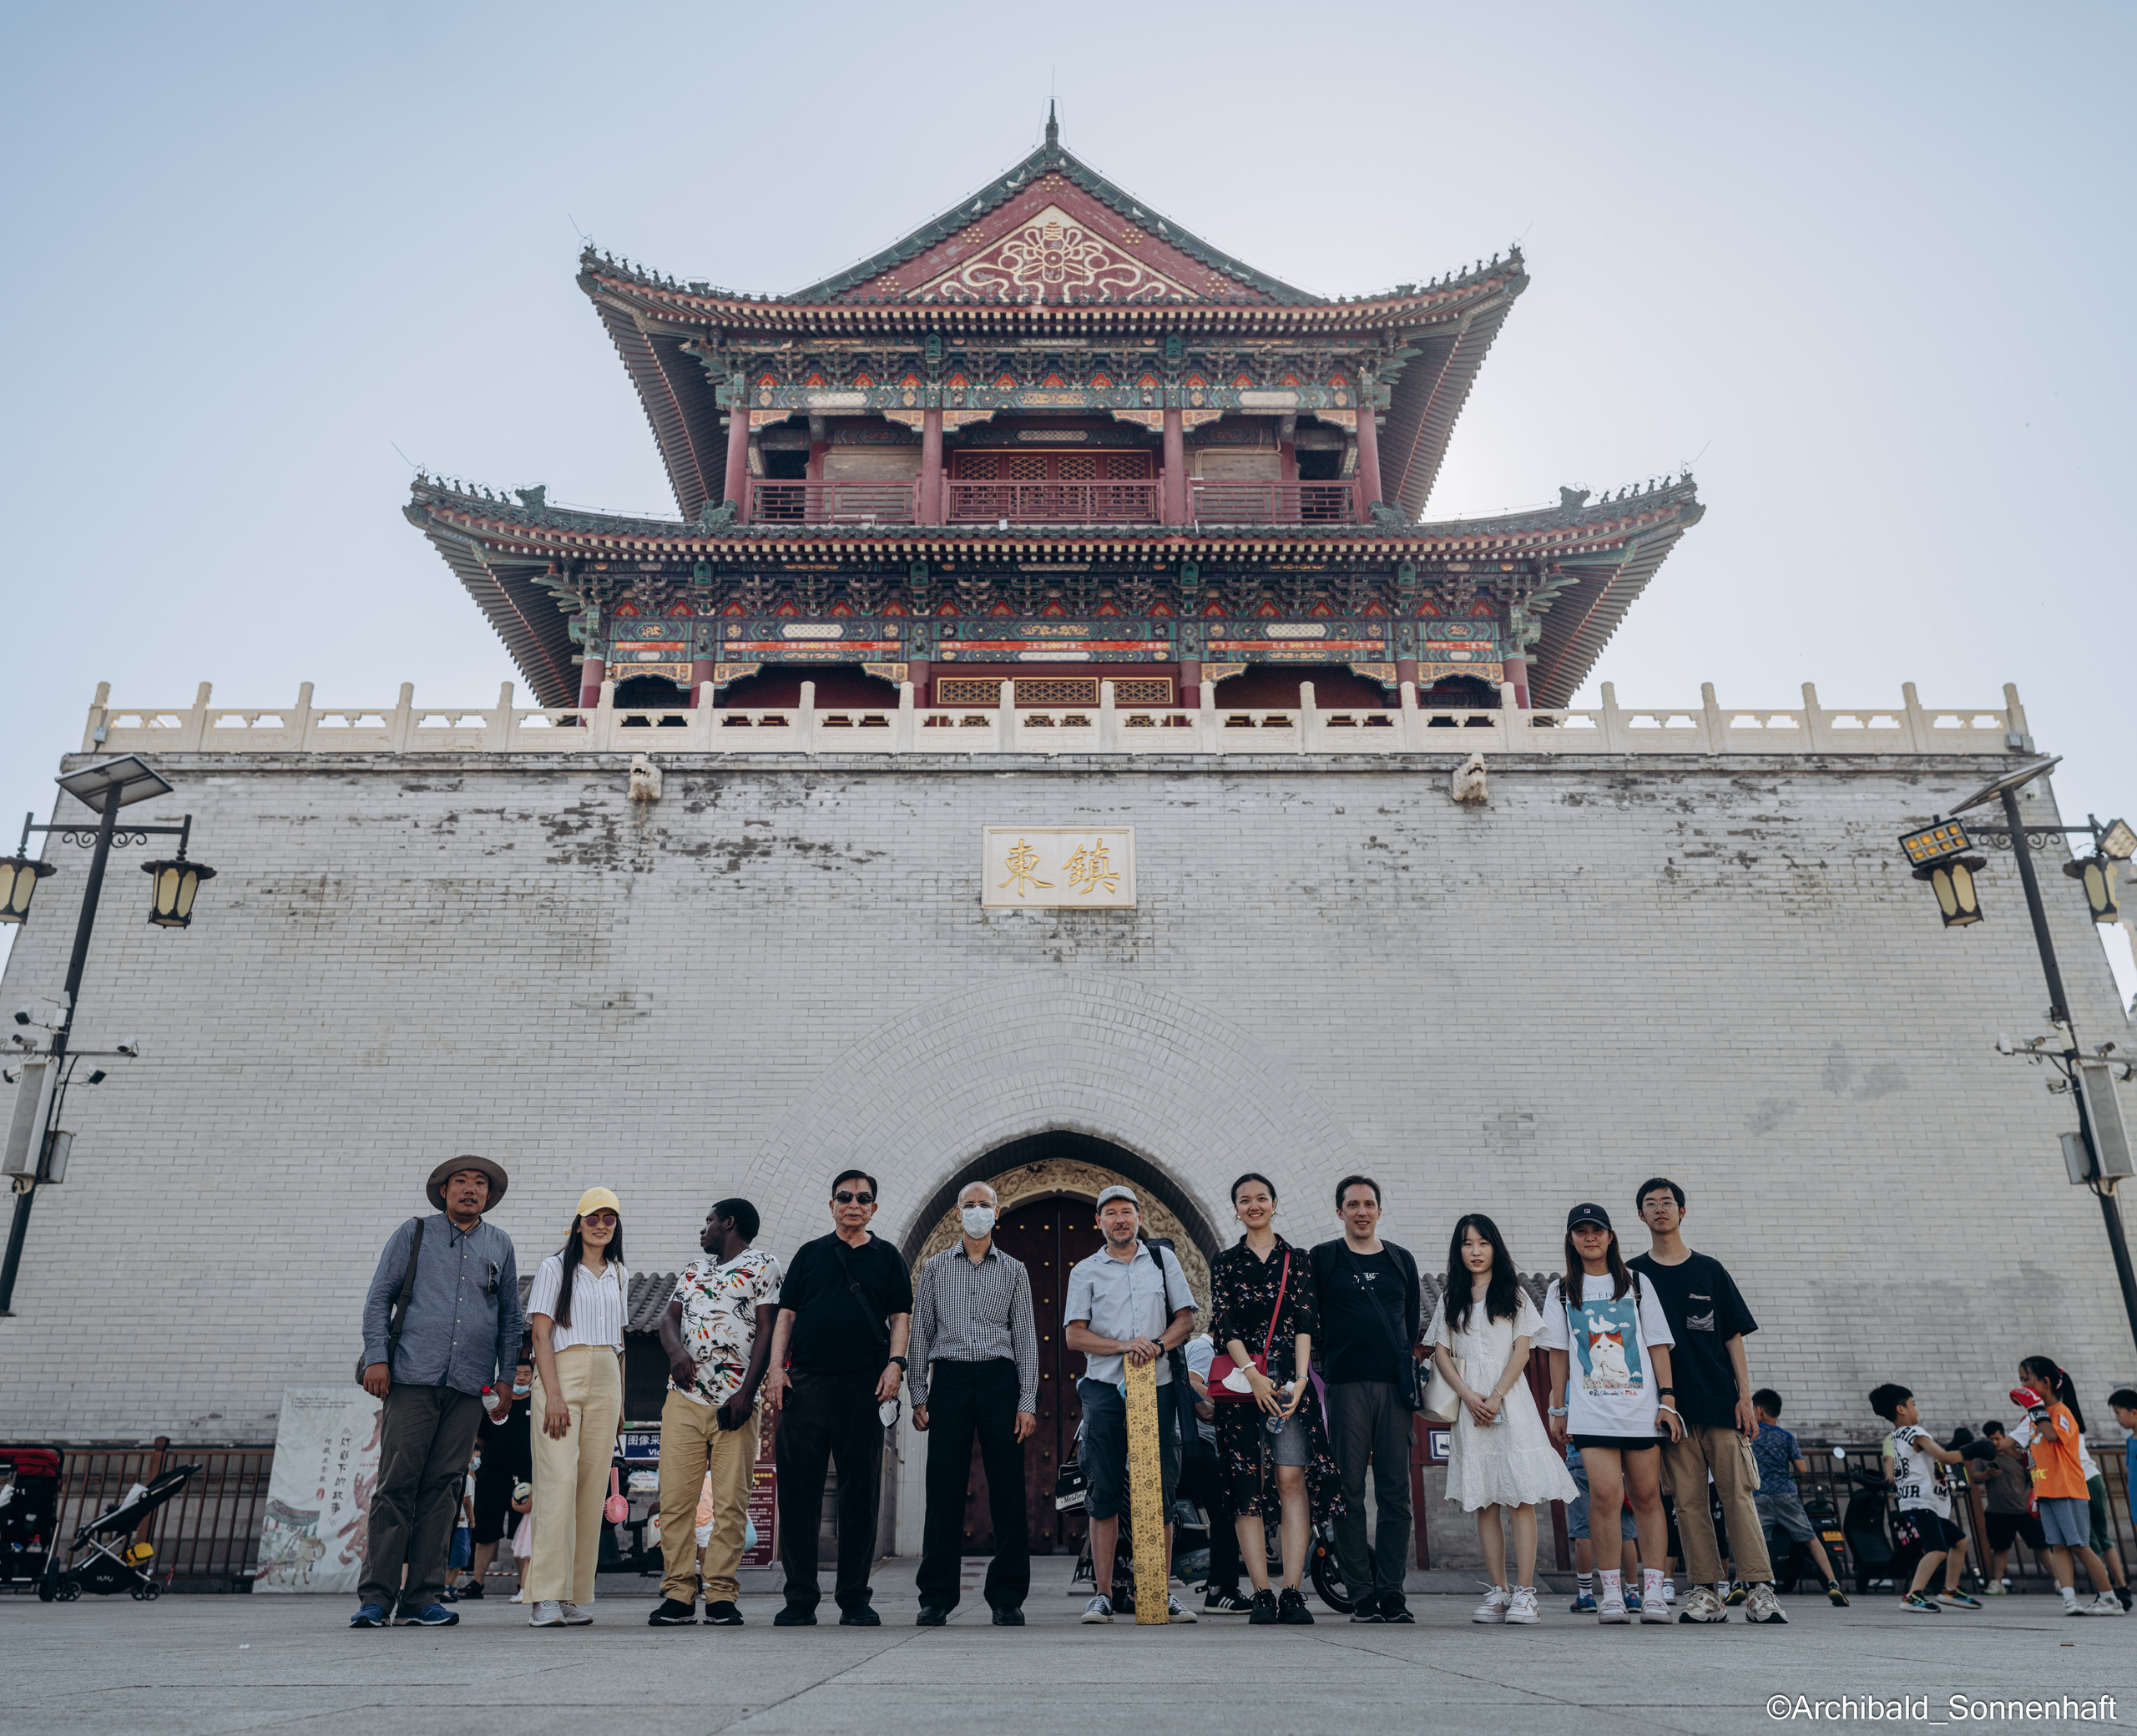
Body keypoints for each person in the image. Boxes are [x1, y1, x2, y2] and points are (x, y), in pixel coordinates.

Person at [352, 1155, 523, 1629]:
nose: (471, 1190)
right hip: (411, 1377)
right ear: (443, 1191)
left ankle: (422, 1597)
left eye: (480, 1184)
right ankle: (375, 1598)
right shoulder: (414, 1233)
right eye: (461, 1182)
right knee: (396, 1486)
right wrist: (377, 1359)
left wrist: (506, 1378)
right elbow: (378, 1299)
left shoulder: (500, 1245)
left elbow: (511, 1318)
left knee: (445, 1489)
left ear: (489, 1196)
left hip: (470, 1385)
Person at [1624, 1178, 1784, 1627]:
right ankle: (1705, 1592)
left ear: (1682, 1212)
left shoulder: (1710, 1269)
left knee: (1738, 1495)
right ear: (1640, 1216)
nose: (1660, 1209)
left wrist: (1745, 1397)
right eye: (1651, 1204)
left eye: (1668, 1203)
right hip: (1669, 1411)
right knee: (1688, 1502)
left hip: (1720, 1401)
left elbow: (1732, 1335)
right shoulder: (1632, 1275)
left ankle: (1759, 1590)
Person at [763, 1168, 912, 1626]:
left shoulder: (888, 1257)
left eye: (863, 1198)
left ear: (873, 1208)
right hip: (805, 1384)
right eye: (845, 1197)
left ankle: (854, 1597)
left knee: (860, 1494)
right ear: (831, 1205)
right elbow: (786, 1315)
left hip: (862, 1387)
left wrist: (896, 1364)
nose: (854, 1204)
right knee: (798, 1491)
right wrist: (775, 1368)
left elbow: (900, 1315)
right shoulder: (810, 1254)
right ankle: (800, 1598)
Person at [1427, 1214, 1577, 1626]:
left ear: (1495, 1247)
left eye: (1482, 1243)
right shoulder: (1449, 1296)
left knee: (1519, 1498)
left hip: (1510, 1402)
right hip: (1469, 1406)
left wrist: (1493, 1396)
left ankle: (1526, 1593)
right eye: (1466, 1244)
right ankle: (1498, 1591)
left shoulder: (1514, 1294)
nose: (1475, 1251)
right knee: (1486, 1501)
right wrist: (1468, 1396)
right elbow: (1440, 1351)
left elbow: (1523, 1351)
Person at [1208, 1173, 1342, 1628]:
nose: (1254, 1205)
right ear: (1236, 1209)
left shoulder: (1298, 1259)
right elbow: (1223, 1324)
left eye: (1261, 1198)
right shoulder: (1225, 1262)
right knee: (1246, 1485)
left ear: (1274, 1203)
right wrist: (1252, 1374)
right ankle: (1261, 1591)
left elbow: (1306, 1320)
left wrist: (1302, 1379)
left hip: (1289, 1388)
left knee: (1290, 1480)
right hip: (1243, 1388)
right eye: (1244, 1200)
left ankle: (1293, 1591)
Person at [1538, 1201, 1683, 1625]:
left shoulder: (1637, 1283)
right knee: (1602, 1498)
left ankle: (1653, 1594)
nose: (1590, 1238)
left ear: (1610, 1236)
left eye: (1597, 1230)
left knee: (1645, 1497)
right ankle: (1612, 1595)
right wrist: (1558, 1406)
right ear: (1571, 1239)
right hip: (1591, 1413)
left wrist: (1668, 1399)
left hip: (1640, 1410)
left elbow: (1656, 1343)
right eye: (1581, 1231)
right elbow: (1559, 1355)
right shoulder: (1561, 1290)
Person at [1062, 1184, 1199, 1625]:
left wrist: (1155, 1347)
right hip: (1104, 1391)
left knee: (1158, 1490)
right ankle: (1102, 1594)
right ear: (1098, 1222)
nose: (1120, 1220)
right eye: (1111, 1214)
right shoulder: (1086, 1270)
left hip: (1157, 1387)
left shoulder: (1163, 1261)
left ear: (1140, 1217)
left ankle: (1157, 1589)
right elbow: (1074, 1335)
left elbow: (1186, 1319)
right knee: (1103, 1490)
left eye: (1127, 1212)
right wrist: (1125, 1346)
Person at [909, 1180, 1038, 1626]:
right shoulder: (936, 1267)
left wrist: (1027, 1401)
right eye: (971, 1205)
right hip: (950, 1380)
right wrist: (919, 1392)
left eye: (986, 1205)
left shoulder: (1015, 1270)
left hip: (1000, 1380)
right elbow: (920, 1333)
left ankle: (1007, 1596)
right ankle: (937, 1596)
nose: (979, 1210)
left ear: (997, 1212)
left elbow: (1025, 1339)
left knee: (1008, 1488)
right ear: (958, 1214)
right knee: (943, 1488)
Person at [649, 1198, 781, 1627]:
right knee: (675, 1502)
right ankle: (679, 1594)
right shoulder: (691, 1270)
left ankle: (721, 1594)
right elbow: (668, 1319)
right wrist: (675, 1353)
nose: (701, 1230)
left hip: (736, 1405)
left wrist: (747, 1392)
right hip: (684, 1399)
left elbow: (767, 1329)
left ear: (728, 1222)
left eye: (707, 1222)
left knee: (730, 1504)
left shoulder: (764, 1265)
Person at [1309, 1173, 1422, 1624]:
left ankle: (1392, 1591)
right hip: (1345, 1388)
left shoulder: (1401, 1260)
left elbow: (1410, 1325)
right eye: (1352, 1204)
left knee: (1397, 1494)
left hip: (1395, 1389)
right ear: (1340, 1212)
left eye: (1368, 1204)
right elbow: (1309, 1322)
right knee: (1349, 1492)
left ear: (1379, 1210)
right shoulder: (1324, 1259)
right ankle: (1361, 1594)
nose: (1361, 1211)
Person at [524, 1187, 629, 1628]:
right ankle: (544, 1595)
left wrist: (620, 1400)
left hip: (607, 1375)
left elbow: (621, 1346)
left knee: (590, 1489)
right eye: (593, 1217)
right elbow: (540, 1336)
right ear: (578, 1223)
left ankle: (571, 1593)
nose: (601, 1224)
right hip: (561, 1372)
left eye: (609, 1218)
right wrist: (553, 1395)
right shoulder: (555, 1268)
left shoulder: (620, 1273)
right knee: (558, 1480)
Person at [2016, 1357, 2131, 1611]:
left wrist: (2034, 1408)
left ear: (2045, 1383)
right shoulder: (2040, 1416)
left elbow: (2052, 1435)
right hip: (2047, 1490)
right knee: (2057, 1545)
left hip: (2068, 1489)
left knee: (2080, 1545)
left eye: (2027, 1380)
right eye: (2021, 1380)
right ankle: (2070, 1599)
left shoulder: (2061, 1412)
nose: (2023, 1385)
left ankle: (2109, 1597)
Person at [1866, 1383, 1985, 1612]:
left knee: (1960, 1541)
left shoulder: (1897, 1436)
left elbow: (1933, 1460)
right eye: (1913, 1404)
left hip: (1921, 1502)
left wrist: (1954, 1446)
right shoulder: (1915, 1433)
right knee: (1938, 1549)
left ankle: (1950, 1590)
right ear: (1901, 1409)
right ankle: (1912, 1595)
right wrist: (1974, 1449)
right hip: (1922, 1503)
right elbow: (1945, 1457)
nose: (1916, 1409)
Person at [1747, 1389, 1847, 1606]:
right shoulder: (1787, 1437)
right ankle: (1832, 1583)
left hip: (1760, 1495)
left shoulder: (1751, 1435)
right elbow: (1801, 1468)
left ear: (1759, 1411)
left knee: (1751, 1541)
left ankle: (1741, 1584)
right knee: (1810, 1538)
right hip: (1786, 1496)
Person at [1180, 1331, 1250, 1614]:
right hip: (1194, 1442)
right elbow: (1191, 1382)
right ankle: (1221, 1590)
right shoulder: (1204, 1347)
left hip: (1199, 1443)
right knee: (1226, 1505)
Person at [462, 1349, 534, 1600]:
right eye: (518, 1373)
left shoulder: (539, 1404)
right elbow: (479, 1438)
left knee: (523, 1533)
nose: (522, 1378)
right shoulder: (496, 1403)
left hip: (526, 1479)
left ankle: (524, 1585)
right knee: (486, 1530)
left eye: (527, 1374)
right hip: (492, 1476)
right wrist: (474, 1458)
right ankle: (476, 1583)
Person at [1564, 1442, 1640, 1612]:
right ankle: (1632, 1594)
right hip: (1615, 1459)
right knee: (1625, 1530)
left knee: (1582, 1529)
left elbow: (1559, 1431)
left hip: (1580, 1457)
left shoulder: (1564, 1413)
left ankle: (1586, 1595)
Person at [1978, 1421, 2044, 1593]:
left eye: (1997, 1438)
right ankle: (1996, 1583)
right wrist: (1987, 1474)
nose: (1995, 1443)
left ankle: (2060, 1581)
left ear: (2004, 1436)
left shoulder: (2017, 1455)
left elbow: (2033, 1477)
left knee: (2042, 1546)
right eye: (1990, 1439)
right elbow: (1975, 1477)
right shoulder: (1984, 1456)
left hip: (2025, 1510)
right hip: (1998, 1511)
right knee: (2000, 1548)